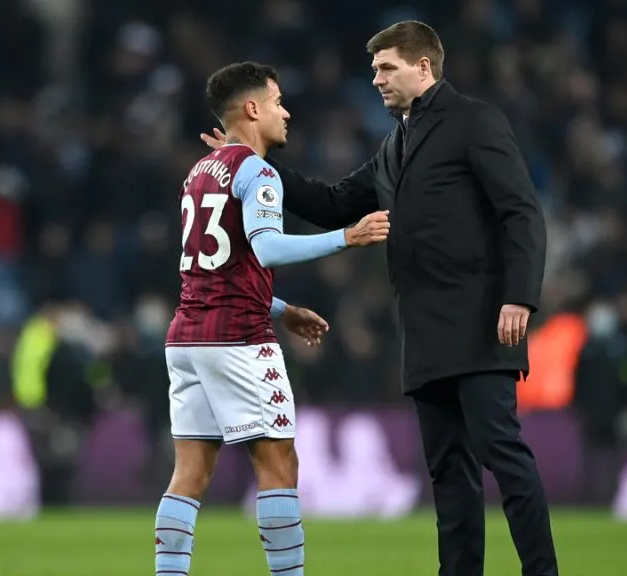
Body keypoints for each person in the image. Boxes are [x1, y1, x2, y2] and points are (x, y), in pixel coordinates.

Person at [202, 20, 557, 576]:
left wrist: (519, 298)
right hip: (422, 328)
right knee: (448, 470)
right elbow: (333, 200)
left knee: (501, 454)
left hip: (481, 319)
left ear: (424, 66)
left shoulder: (474, 121)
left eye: (386, 68)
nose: (376, 79)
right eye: (373, 70)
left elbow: (521, 212)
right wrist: (249, 161)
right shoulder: (397, 144)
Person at [158, 61, 389, 576]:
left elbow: (215, 268)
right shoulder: (257, 172)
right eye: (279, 102)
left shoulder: (198, 172)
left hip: (187, 338)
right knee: (278, 464)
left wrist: (282, 309)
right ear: (253, 108)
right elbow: (267, 249)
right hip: (238, 339)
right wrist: (346, 237)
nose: (287, 113)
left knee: (190, 473)